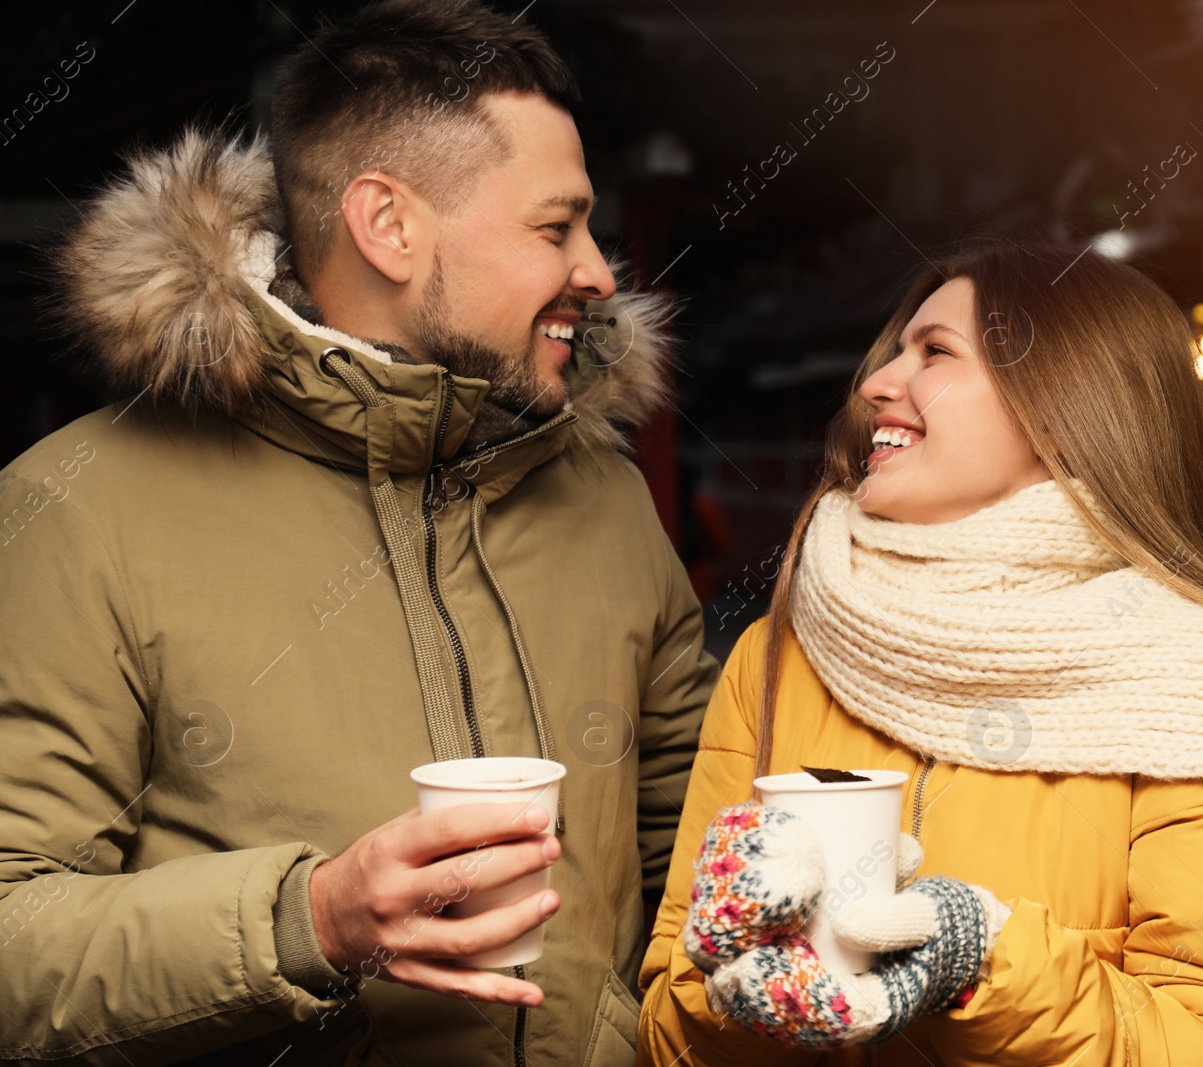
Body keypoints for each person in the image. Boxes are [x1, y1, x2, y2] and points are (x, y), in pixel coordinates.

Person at [0, 2, 716, 1064]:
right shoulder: (76, 508)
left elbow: (691, 871)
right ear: (388, 224)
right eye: (554, 226)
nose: (600, 273)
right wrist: (312, 920)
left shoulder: (603, 498)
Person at [636, 237, 1203, 1065]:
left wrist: (985, 968)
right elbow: (664, 1026)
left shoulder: (1200, 688)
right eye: (895, 352)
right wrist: (734, 992)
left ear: (1062, 409)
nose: (875, 386)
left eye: (934, 353)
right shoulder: (779, 653)